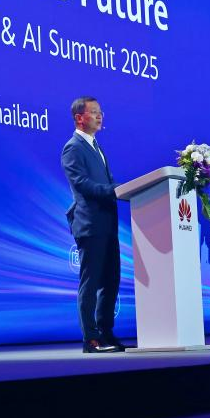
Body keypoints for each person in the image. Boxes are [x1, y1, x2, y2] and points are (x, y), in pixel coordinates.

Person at [61, 96, 124, 353]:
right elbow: (82, 184)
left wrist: (118, 189)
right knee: (91, 283)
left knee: (111, 281)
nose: (100, 116)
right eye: (94, 112)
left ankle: (106, 333)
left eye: (101, 112)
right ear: (79, 118)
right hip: (90, 224)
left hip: (107, 224)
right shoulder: (73, 148)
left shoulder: (96, 146)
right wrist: (113, 190)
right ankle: (91, 339)